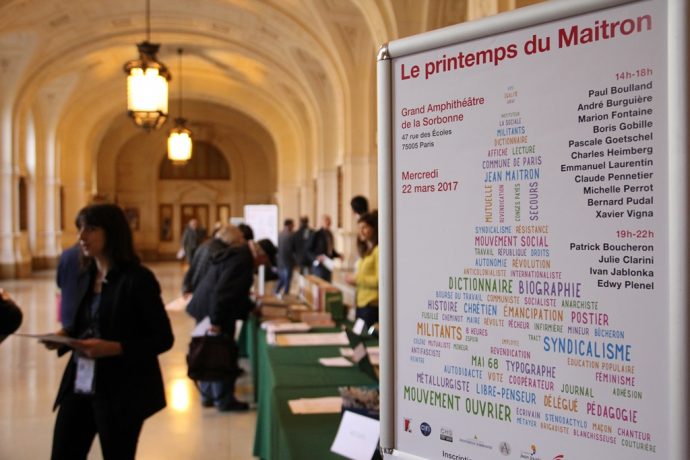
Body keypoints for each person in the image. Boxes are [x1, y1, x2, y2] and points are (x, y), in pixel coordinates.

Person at [44, 203, 174, 460]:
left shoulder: (137, 279)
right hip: (79, 383)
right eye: (80, 228)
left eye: (90, 229)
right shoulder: (85, 274)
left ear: (112, 232)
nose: (82, 236)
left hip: (121, 390)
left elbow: (162, 338)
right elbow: (85, 323)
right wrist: (65, 335)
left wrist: (114, 348)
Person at [185, 224, 254, 411]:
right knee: (217, 351)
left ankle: (209, 396)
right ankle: (221, 398)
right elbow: (222, 292)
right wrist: (216, 321)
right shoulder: (233, 256)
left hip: (205, 303)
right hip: (211, 307)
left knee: (207, 349)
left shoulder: (213, 247)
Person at [345, 212, 379, 329]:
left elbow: (380, 281)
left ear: (374, 228)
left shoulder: (378, 251)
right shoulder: (365, 251)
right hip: (361, 302)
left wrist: (356, 279)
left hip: (372, 304)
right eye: (359, 228)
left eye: (364, 227)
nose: (361, 231)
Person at [308, 214, 341, 282]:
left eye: (329, 221)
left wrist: (338, 255)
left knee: (327, 284)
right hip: (319, 265)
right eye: (326, 221)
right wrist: (316, 257)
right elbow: (308, 250)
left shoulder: (330, 234)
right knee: (320, 285)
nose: (328, 222)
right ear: (321, 222)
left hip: (328, 265)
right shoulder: (316, 234)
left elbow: (330, 250)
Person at [274, 219, 296, 295]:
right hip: (288, 262)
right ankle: (284, 294)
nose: (294, 226)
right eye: (293, 225)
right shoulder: (291, 235)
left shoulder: (280, 234)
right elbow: (293, 249)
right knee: (287, 280)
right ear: (289, 225)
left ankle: (276, 292)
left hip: (280, 261)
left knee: (282, 279)